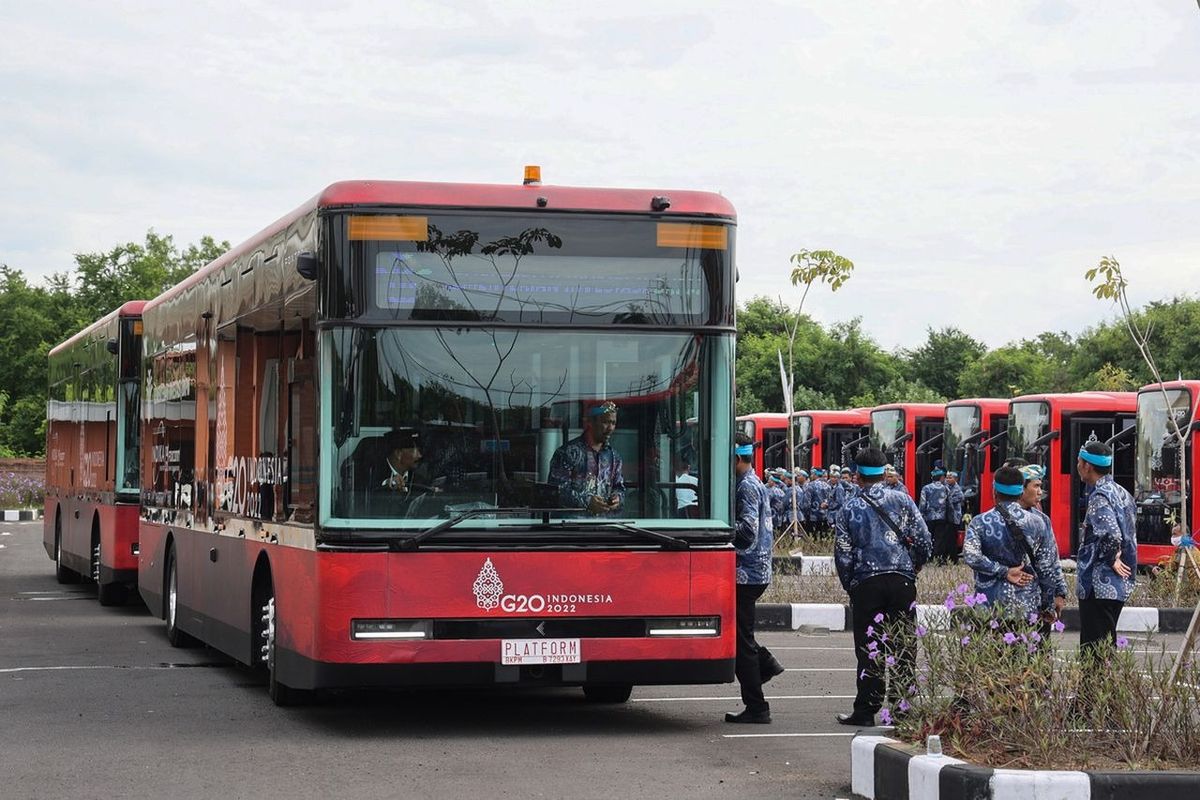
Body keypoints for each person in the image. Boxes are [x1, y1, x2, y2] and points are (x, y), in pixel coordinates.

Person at [834, 446, 932, 727]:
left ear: (857, 475)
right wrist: (914, 566)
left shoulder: (849, 508)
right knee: (904, 647)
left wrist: (851, 585)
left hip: (867, 583)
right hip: (902, 581)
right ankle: (902, 710)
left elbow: (843, 553)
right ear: (884, 471)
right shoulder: (902, 499)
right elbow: (924, 539)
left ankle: (865, 711)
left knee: (869, 648)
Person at [962, 465, 1067, 632]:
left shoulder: (979, 522)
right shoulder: (1037, 522)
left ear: (994, 491)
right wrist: (1048, 605)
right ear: (1020, 492)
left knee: (991, 657)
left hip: (989, 607)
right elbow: (1046, 567)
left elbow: (971, 556)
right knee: (1026, 654)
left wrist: (1003, 571)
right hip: (1026, 608)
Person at [726, 432, 781, 724]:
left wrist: (718, 527)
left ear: (735, 458)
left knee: (741, 642)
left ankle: (757, 706)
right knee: (742, 637)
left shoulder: (746, 487)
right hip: (753, 571)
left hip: (746, 572)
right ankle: (766, 665)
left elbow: (747, 532)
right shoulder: (751, 482)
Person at [1075, 441, 1136, 653]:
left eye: (1079, 461)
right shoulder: (1121, 492)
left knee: (1094, 648)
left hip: (1099, 583)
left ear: (1087, 466)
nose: (1077, 465)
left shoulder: (1099, 496)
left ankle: (1094, 686)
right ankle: (1105, 685)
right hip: (1118, 584)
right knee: (1106, 644)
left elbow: (1111, 533)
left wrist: (1112, 559)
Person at [548, 401, 626, 516]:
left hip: (606, 529)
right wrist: (587, 501)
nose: (610, 428)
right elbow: (555, 491)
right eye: (605, 422)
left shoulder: (614, 457)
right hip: (571, 528)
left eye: (613, 423)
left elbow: (620, 488)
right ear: (590, 422)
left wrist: (617, 498)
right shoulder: (568, 453)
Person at [919, 466, 958, 564]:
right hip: (941, 518)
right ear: (941, 478)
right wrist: (952, 517)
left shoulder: (926, 488)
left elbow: (922, 504)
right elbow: (949, 504)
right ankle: (938, 558)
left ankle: (929, 557)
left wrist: (921, 516)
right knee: (939, 539)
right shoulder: (945, 488)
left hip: (928, 518)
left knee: (929, 537)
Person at [673, 452, 699, 517]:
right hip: (696, 510)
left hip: (682, 512)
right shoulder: (696, 481)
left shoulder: (674, 481)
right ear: (689, 467)